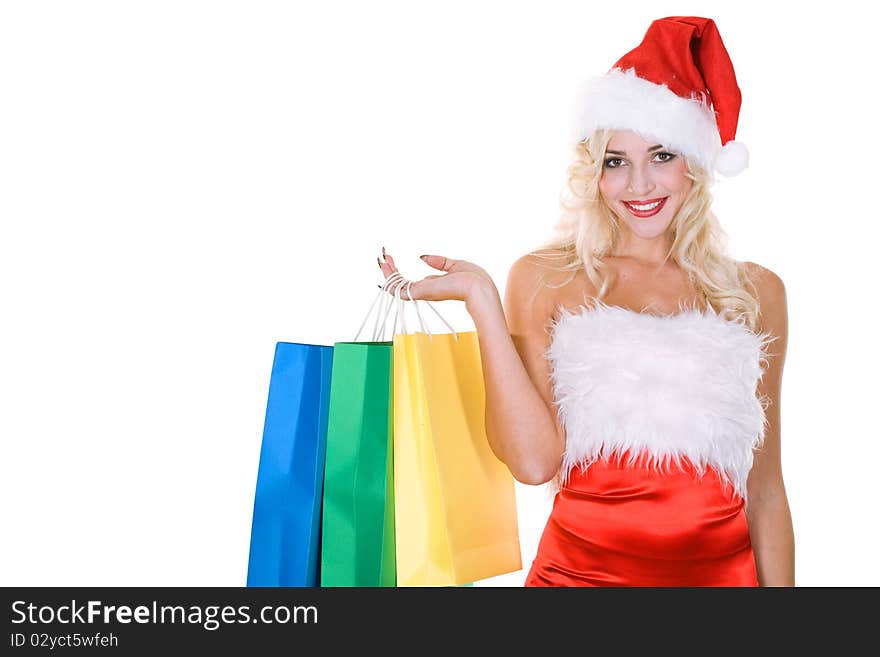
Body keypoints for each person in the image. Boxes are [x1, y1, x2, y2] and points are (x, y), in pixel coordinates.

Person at [377, 16, 794, 587]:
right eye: (615, 162)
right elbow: (533, 463)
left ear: (696, 165)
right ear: (593, 173)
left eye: (663, 156)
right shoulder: (547, 280)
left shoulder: (754, 294)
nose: (639, 186)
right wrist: (482, 301)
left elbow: (766, 491)